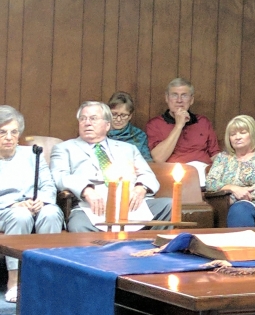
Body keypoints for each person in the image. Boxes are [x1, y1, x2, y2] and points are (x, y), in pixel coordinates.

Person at [51, 102, 172, 233]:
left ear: (107, 125)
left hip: (130, 205)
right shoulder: (64, 148)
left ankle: (151, 245)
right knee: (78, 225)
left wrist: (141, 188)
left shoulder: (128, 149)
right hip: (91, 206)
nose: (87, 123)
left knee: (169, 205)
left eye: (93, 118)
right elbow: (60, 176)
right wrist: (86, 190)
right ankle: (102, 247)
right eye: (83, 118)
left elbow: (148, 175)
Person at [0, 105, 63, 302]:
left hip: (35, 205)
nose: (9, 137)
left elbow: (48, 185)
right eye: (2, 132)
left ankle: (46, 279)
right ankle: (14, 281)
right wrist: (13, 204)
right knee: (20, 216)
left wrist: (41, 200)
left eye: (14, 132)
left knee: (51, 213)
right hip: (5, 210)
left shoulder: (32, 154)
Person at [146, 78, 220, 165]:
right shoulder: (155, 124)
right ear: (167, 98)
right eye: (174, 95)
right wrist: (178, 126)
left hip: (202, 169)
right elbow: (158, 158)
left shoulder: (203, 122)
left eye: (184, 95)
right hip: (173, 171)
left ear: (191, 100)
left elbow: (214, 154)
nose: (179, 100)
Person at [107, 92, 152, 163]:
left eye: (123, 115)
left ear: (130, 116)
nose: (118, 119)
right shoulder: (99, 133)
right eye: (114, 114)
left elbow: (147, 162)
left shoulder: (139, 136)